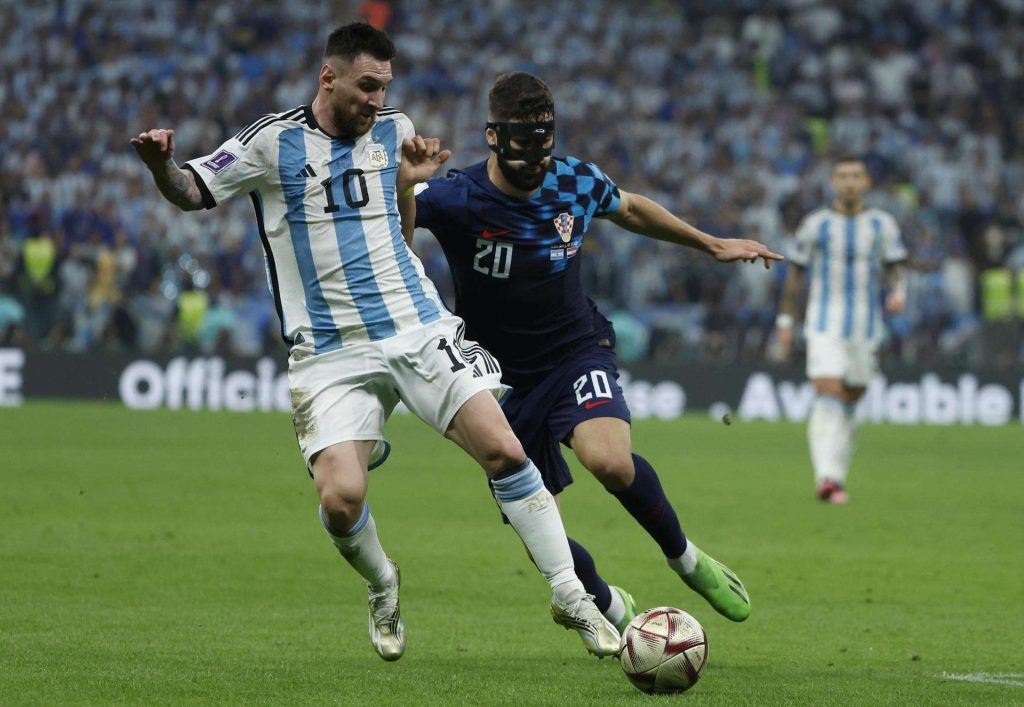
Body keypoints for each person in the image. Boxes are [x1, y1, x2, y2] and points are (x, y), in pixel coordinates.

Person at [130, 24, 619, 662]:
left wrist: (409, 182)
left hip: (414, 325)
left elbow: (402, 222)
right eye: (367, 87)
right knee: (340, 500)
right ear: (329, 78)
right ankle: (383, 581)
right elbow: (193, 191)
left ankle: (569, 595)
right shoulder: (273, 142)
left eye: (385, 87)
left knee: (503, 449)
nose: (377, 100)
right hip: (329, 350)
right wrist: (162, 164)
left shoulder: (394, 130)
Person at [413, 72, 780, 631]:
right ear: (492, 137)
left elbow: (629, 208)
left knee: (609, 459)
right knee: (544, 532)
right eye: (522, 154)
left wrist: (710, 244)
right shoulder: (455, 197)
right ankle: (610, 605)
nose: (536, 165)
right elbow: (389, 227)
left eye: (544, 150)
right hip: (495, 381)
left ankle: (686, 559)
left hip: (573, 352)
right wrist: (399, 182)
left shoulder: (575, 181)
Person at [775, 156, 907, 503]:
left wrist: (898, 291)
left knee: (851, 398)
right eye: (843, 176)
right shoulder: (815, 224)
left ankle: (837, 476)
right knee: (828, 390)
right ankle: (826, 477)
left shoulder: (883, 224)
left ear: (867, 183)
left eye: (856, 176)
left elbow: (894, 267)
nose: (849, 182)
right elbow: (795, 278)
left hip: (866, 327)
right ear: (834, 183)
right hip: (823, 323)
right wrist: (786, 322)